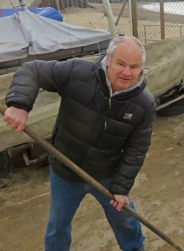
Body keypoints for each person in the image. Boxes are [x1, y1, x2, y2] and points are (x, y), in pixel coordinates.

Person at [2, 35, 156, 251]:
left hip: (106, 175)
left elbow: (136, 149)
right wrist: (19, 104)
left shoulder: (144, 103)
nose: (127, 72)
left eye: (134, 66)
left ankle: (134, 247)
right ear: (109, 60)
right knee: (58, 226)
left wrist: (121, 188)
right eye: (121, 64)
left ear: (141, 68)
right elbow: (33, 70)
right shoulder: (78, 72)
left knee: (124, 217)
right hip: (65, 171)